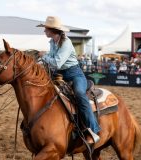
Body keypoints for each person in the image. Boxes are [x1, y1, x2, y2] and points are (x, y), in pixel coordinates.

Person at [37, 16, 100, 144]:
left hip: (74, 74)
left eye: (46, 29)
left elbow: (57, 63)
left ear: (52, 30)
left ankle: (93, 130)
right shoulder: (52, 42)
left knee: (79, 94)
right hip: (59, 74)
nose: (44, 31)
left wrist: (44, 57)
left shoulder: (66, 42)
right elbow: (50, 57)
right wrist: (40, 60)